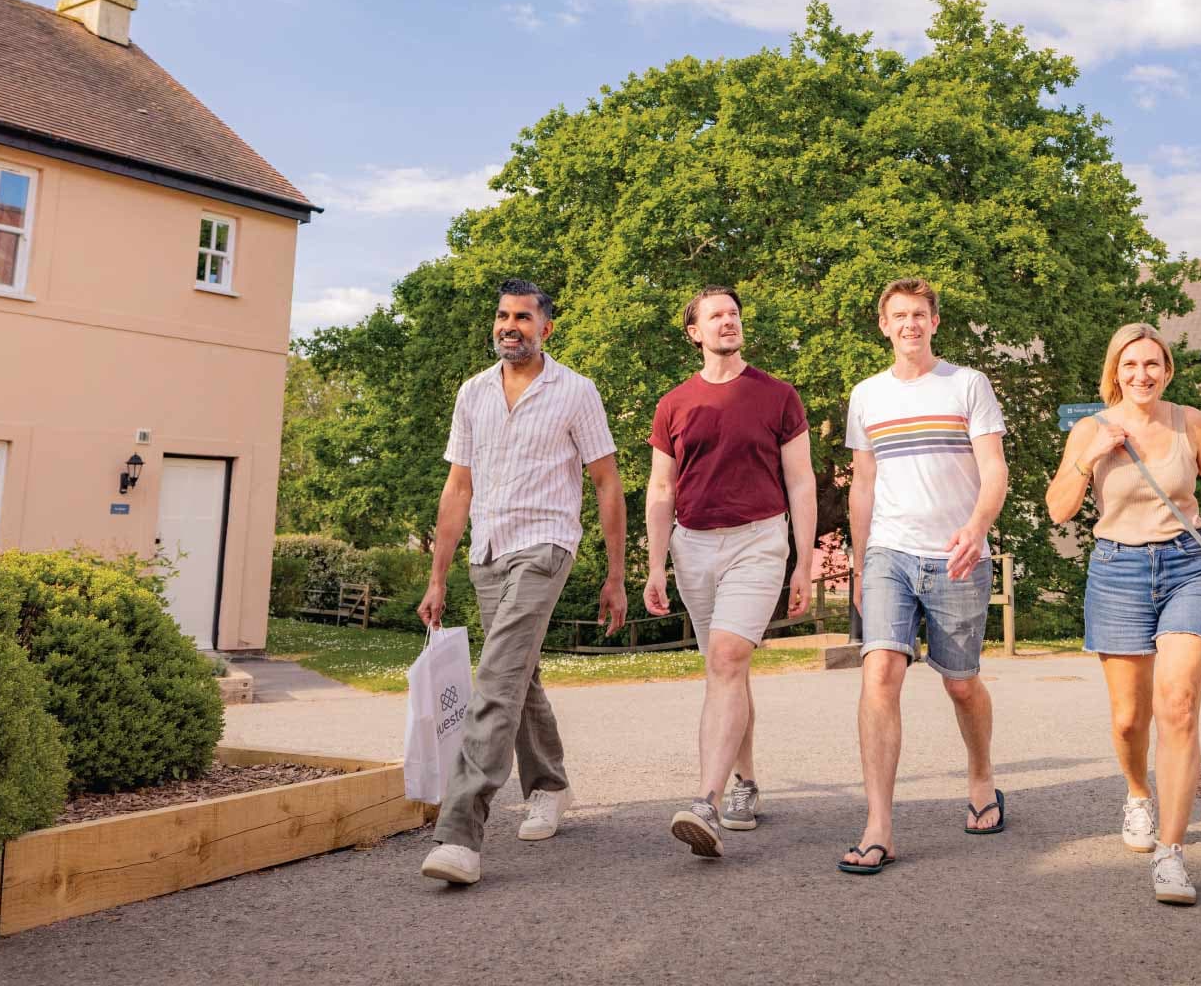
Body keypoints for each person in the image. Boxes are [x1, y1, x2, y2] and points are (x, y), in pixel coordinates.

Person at [417, 278, 628, 887]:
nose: (511, 325)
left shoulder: (576, 392)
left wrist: (615, 575)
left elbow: (607, 482)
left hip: (546, 545)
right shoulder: (472, 393)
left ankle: (460, 833)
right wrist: (438, 576)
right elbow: (458, 488)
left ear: (546, 328)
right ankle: (549, 785)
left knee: (497, 675)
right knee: (520, 671)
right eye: (504, 316)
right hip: (487, 550)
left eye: (524, 318)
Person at [1045, 322, 1201, 906]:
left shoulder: (1190, 422)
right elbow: (1059, 510)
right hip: (1117, 571)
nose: (1143, 374)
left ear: (1168, 370)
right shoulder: (1091, 428)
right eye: (1131, 365)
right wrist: (1088, 459)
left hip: (1190, 568)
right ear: (1115, 371)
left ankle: (1172, 855)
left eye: (1153, 364)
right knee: (1131, 719)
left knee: (1177, 706)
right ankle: (1138, 794)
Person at [840, 277, 1010, 875]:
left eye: (919, 314)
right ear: (883, 325)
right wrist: (859, 562)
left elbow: (994, 469)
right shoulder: (867, 396)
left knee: (961, 683)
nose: (909, 324)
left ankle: (982, 775)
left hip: (957, 555)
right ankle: (879, 825)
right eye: (898, 315)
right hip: (889, 551)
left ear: (935, 322)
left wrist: (976, 526)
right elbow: (863, 485)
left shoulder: (967, 385)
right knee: (881, 670)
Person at [643, 286, 818, 858]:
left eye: (735, 314)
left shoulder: (778, 396)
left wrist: (803, 561)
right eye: (716, 315)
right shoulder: (673, 404)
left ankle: (706, 804)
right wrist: (655, 565)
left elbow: (801, 482)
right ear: (693, 331)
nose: (729, 322)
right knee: (727, 670)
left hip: (759, 539)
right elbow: (662, 488)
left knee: (726, 659)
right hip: (692, 546)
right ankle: (745, 782)